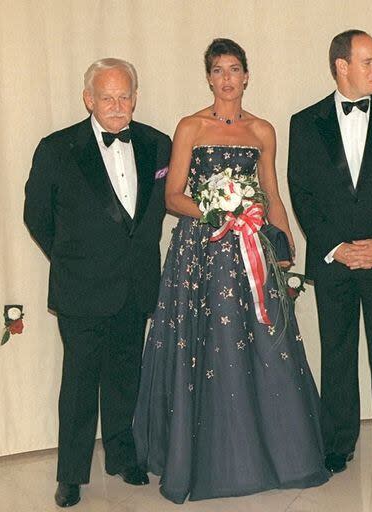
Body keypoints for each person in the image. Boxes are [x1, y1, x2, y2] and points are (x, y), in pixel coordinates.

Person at [132, 38, 329, 503]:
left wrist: (282, 242)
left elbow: (272, 194)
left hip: (251, 252)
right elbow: (173, 196)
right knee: (206, 345)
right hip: (201, 252)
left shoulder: (262, 130)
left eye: (234, 69)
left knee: (263, 341)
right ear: (209, 77)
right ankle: (204, 456)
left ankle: (275, 453)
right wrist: (218, 211)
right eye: (218, 70)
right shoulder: (190, 127)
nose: (226, 78)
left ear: (246, 76)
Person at [24, 58, 171, 508]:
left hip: (135, 284)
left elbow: (159, 208)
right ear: (89, 99)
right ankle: (70, 474)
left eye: (125, 96)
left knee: (127, 373)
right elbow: (37, 216)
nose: (117, 105)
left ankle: (123, 456)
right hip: (82, 287)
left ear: (135, 97)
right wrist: (72, 261)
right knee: (80, 383)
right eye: (107, 97)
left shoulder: (157, 144)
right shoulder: (56, 148)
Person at [287, 29, 372, 475]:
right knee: (336, 352)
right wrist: (335, 247)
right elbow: (301, 194)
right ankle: (337, 442)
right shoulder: (304, 123)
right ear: (342, 66)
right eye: (369, 62)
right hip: (334, 260)